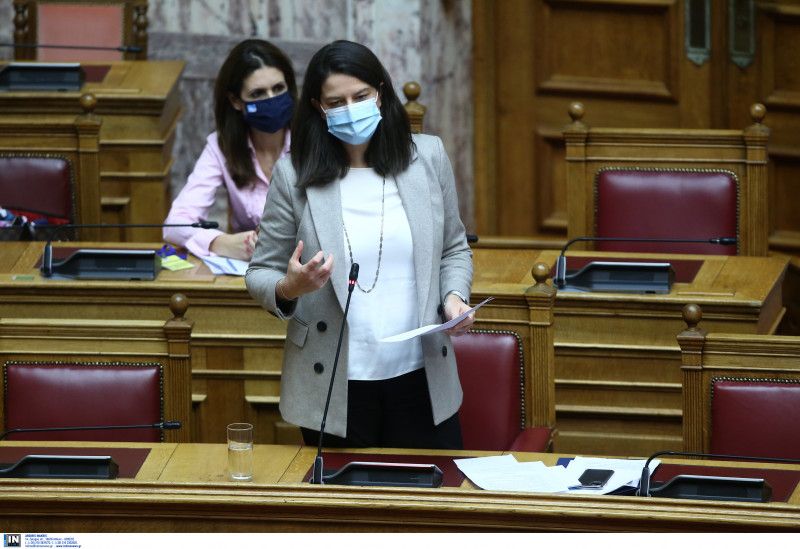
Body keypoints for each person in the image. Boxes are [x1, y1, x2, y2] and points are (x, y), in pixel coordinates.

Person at [245, 40, 475, 450]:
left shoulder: (428, 157)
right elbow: (259, 272)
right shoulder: (293, 175)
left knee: (434, 491)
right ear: (319, 107)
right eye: (337, 102)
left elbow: (453, 248)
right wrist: (289, 288)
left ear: (380, 94)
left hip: (421, 374)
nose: (351, 109)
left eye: (361, 96)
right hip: (334, 381)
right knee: (345, 493)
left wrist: (454, 297)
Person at [163, 39, 296, 260]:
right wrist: (222, 242)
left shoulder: (315, 139)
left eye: (278, 88)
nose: (271, 100)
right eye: (258, 94)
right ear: (235, 101)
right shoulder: (222, 147)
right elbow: (175, 224)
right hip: (252, 270)